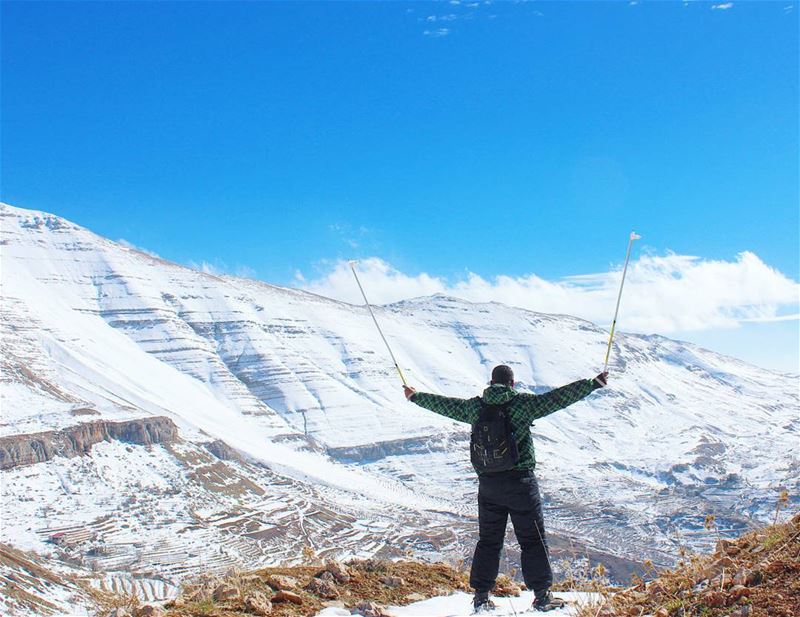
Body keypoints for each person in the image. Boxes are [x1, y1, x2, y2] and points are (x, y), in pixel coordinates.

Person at [403, 365, 608, 613]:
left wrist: (415, 397)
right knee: (532, 539)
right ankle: (542, 596)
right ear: (512, 384)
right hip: (520, 483)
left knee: (489, 541)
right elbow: (557, 399)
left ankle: (481, 596)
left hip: (488, 485)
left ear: (491, 383)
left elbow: (445, 405)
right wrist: (592, 384)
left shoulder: (474, 407)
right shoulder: (521, 405)